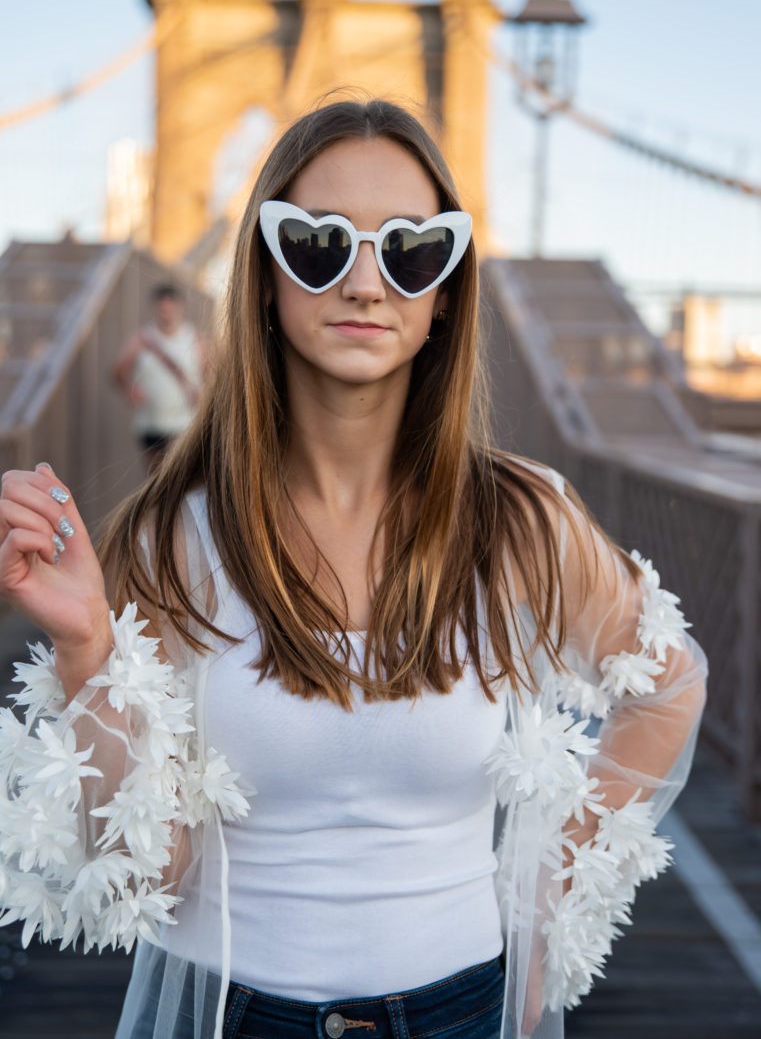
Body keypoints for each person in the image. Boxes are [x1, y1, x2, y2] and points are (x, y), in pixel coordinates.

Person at [0, 99, 707, 1039]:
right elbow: (151, 873)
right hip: (236, 1019)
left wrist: (546, 903)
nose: (367, 284)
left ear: (447, 287)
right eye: (320, 243)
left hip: (462, 1009)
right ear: (263, 274)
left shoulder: (520, 520)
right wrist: (89, 647)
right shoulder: (171, 539)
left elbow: (669, 683)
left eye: (412, 249)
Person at [112, 283, 210, 472]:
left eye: (170, 308)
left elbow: (211, 374)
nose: (166, 313)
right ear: (155, 309)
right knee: (157, 478)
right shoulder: (142, 339)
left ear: (180, 308)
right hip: (151, 423)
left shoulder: (196, 339)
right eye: (162, 309)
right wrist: (130, 391)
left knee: (178, 474)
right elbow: (117, 371)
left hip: (184, 423)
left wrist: (202, 396)